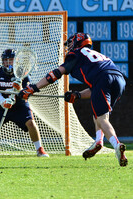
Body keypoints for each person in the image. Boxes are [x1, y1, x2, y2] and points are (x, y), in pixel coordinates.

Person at [18, 33, 127, 167]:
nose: (68, 47)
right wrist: (78, 95)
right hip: (119, 80)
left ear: (77, 42)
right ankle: (99, 141)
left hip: (103, 79)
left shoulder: (76, 54)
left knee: (102, 118)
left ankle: (117, 145)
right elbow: (94, 90)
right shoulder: (96, 55)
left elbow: (55, 74)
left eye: (70, 43)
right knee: (99, 114)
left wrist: (33, 88)